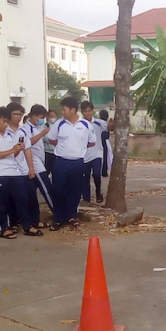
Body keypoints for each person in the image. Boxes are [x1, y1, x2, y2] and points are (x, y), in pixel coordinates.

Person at [0, 106, 44, 238]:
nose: (6, 124)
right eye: (4, 121)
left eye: (7, 121)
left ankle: (27, 225)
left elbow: (16, 154)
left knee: (22, 199)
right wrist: (12, 150)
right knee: (3, 201)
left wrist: (17, 151)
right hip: (0, 173)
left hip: (15, 171)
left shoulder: (12, 135)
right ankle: (4, 228)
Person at [48, 96, 96, 230]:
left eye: (64, 109)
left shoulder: (85, 125)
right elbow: (51, 139)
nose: (62, 112)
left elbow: (92, 142)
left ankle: (71, 216)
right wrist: (64, 146)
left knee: (75, 190)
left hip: (78, 163)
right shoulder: (59, 124)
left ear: (73, 110)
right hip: (61, 162)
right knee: (58, 190)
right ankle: (58, 218)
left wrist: (78, 147)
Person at [7, 102, 43, 229]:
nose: (18, 117)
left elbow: (28, 149)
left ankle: (34, 220)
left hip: (23, 168)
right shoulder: (5, 131)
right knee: (13, 197)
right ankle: (14, 222)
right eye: (15, 114)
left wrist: (31, 168)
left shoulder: (22, 131)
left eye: (20, 114)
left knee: (31, 194)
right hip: (10, 169)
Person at [18, 104, 56, 218]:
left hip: (40, 159)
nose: (42, 120)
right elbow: (29, 142)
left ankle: (32, 217)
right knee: (46, 186)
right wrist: (42, 134)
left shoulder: (37, 127)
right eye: (40, 117)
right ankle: (57, 211)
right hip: (33, 162)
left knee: (31, 192)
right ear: (33, 116)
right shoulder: (26, 128)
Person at [80, 101, 104, 204]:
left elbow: (109, 127)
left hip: (97, 153)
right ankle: (86, 199)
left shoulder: (99, 122)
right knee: (85, 178)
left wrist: (112, 125)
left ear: (92, 111)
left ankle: (98, 191)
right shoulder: (79, 124)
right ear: (82, 112)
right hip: (84, 155)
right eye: (85, 111)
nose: (87, 113)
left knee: (97, 174)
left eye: (89, 111)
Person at [43, 110, 58, 174]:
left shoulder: (58, 127)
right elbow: (46, 138)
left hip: (56, 153)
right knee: (46, 172)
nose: (52, 118)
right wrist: (55, 142)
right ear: (47, 118)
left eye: (54, 116)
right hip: (47, 153)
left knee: (56, 173)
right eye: (50, 116)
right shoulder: (44, 126)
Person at [98, 109, 112, 177]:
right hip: (105, 142)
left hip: (100, 141)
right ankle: (104, 171)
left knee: (101, 157)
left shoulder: (100, 124)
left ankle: (100, 171)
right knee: (105, 157)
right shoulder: (106, 124)